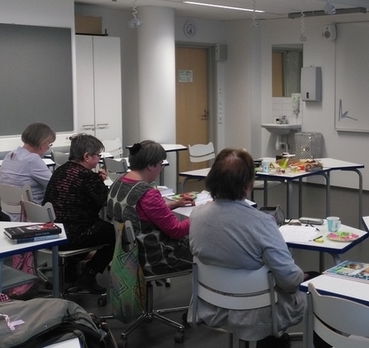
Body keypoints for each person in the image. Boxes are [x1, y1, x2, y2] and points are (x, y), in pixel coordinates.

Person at [187, 148, 304, 348]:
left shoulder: (196, 216)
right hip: (255, 310)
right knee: (312, 290)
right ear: (248, 185)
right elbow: (290, 281)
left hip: (210, 306)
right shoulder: (262, 222)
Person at [107, 140, 194, 276]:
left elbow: (138, 212)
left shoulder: (117, 183)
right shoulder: (148, 194)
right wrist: (199, 215)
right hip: (154, 258)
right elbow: (177, 231)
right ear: (149, 165)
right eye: (161, 164)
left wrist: (174, 204)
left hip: (128, 255)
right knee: (205, 249)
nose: (161, 169)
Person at [43, 133, 115, 294]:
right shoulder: (87, 176)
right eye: (98, 155)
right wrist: (102, 183)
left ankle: (70, 271)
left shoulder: (60, 170)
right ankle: (88, 275)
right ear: (87, 156)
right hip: (73, 236)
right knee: (112, 232)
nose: (99, 159)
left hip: (52, 233)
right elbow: (106, 201)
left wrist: (97, 181)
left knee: (84, 224)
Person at [0, 122, 55, 217]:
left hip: (8, 215)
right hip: (32, 216)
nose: (48, 148)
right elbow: (54, 184)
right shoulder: (32, 159)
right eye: (49, 144)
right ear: (42, 142)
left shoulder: (9, 155)